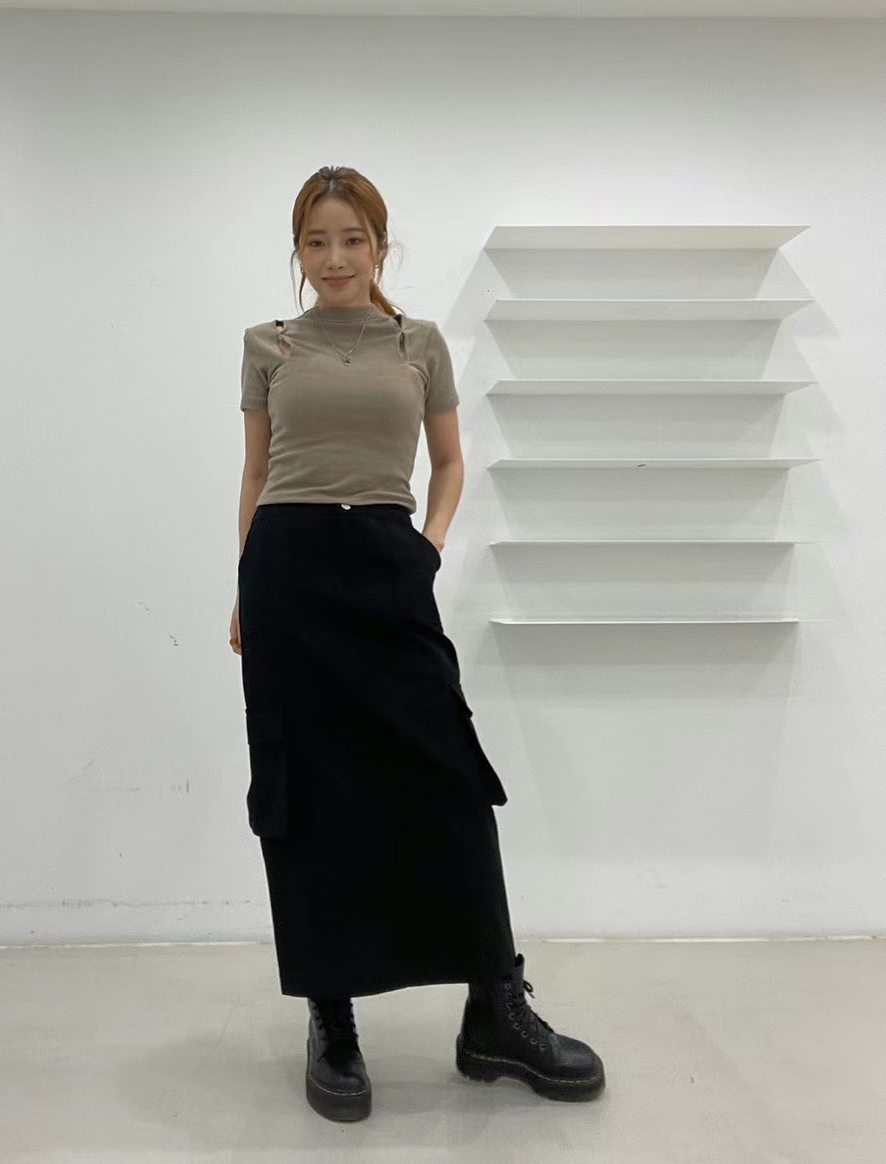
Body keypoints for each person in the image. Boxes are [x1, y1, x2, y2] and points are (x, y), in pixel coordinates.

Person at [231, 165, 605, 1122]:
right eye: (316, 241)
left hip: (388, 562)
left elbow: (448, 462)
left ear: (381, 245)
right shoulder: (268, 344)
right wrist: (243, 586)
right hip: (288, 572)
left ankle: (495, 1008)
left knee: (451, 778)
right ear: (297, 251)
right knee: (307, 794)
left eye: (352, 239)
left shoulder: (419, 343)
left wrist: (425, 552)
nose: (335, 258)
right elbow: (257, 473)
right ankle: (332, 1017)